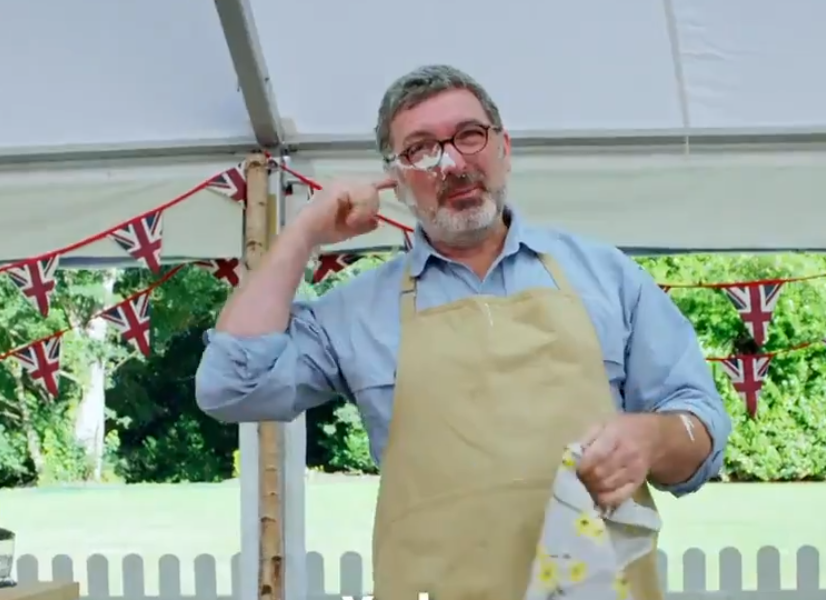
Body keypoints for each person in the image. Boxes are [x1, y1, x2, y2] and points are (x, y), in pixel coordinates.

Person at [196, 64, 731, 600]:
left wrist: (653, 437)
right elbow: (229, 383)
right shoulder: (358, 311)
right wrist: (303, 231)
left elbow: (701, 427)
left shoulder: (606, 275)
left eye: (469, 136)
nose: (452, 163)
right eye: (421, 150)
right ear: (397, 181)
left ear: (504, 148)